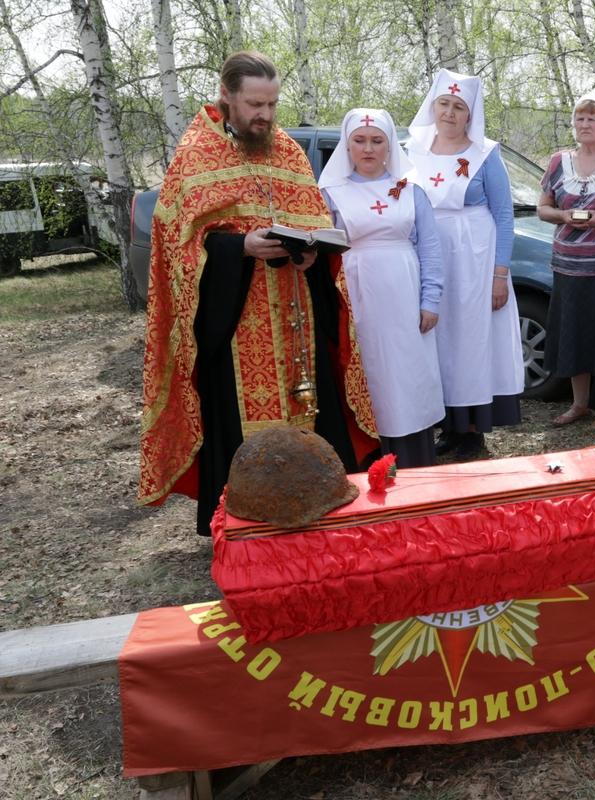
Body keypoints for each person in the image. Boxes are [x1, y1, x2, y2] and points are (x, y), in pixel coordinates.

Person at [139, 51, 375, 535]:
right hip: (237, 322)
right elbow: (178, 249)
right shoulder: (195, 154)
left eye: (271, 104)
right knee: (239, 419)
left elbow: (314, 224)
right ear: (226, 96)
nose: (264, 115)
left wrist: (313, 255)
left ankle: (319, 504)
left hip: (297, 313)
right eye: (253, 104)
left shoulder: (287, 150)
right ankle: (246, 523)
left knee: (312, 408)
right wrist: (239, 247)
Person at [405, 69, 523, 460]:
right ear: (433, 105)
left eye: (459, 107)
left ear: (471, 113)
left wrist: (499, 275)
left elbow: (505, 215)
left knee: (470, 341)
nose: (450, 113)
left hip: (475, 256)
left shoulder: (485, 154)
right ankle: (448, 425)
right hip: (429, 252)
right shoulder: (411, 150)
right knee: (436, 339)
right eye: (444, 104)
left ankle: (472, 430)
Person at [318, 109, 445, 466]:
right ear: (347, 144)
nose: (368, 149)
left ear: (390, 145)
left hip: (405, 291)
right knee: (370, 374)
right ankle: (369, 461)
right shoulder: (330, 192)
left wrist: (430, 299)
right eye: (360, 140)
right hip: (357, 293)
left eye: (377, 141)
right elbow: (324, 250)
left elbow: (430, 247)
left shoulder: (410, 188)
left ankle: (414, 462)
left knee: (407, 376)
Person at [536, 92, 595, 429]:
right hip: (567, 265)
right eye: (580, 118)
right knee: (573, 333)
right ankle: (579, 404)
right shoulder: (559, 161)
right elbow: (542, 208)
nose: (585, 124)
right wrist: (563, 214)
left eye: (592, 118)